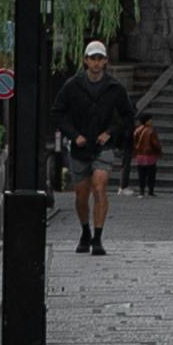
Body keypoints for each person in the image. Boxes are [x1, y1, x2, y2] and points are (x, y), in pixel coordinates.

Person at [55, 34, 127, 256]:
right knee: (81, 194)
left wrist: (110, 132)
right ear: (85, 60)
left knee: (100, 185)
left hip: (103, 146)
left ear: (105, 61)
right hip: (80, 145)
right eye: (92, 58)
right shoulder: (72, 85)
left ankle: (98, 236)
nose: (96, 62)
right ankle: (85, 230)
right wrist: (73, 134)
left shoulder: (115, 87)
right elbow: (58, 113)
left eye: (100, 58)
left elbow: (127, 115)